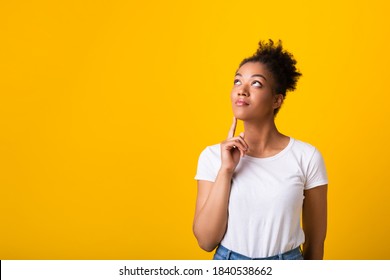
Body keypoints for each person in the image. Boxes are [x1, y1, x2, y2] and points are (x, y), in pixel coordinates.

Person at [193, 40, 328, 260]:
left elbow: (316, 243)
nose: (242, 90)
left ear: (277, 99)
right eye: (237, 81)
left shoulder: (307, 157)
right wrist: (226, 170)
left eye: (256, 84)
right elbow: (206, 241)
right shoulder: (212, 157)